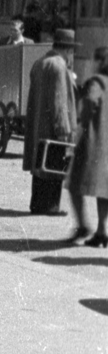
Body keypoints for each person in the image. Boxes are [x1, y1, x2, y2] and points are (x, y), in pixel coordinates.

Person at [23, 28, 77, 216]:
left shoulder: (40, 62)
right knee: (54, 165)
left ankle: (37, 204)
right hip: (53, 127)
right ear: (68, 50)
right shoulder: (59, 66)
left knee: (40, 166)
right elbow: (59, 101)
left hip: (39, 125)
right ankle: (50, 206)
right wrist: (63, 129)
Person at [66, 45, 108, 245]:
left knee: (74, 184)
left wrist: (83, 120)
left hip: (93, 142)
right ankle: (102, 231)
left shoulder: (97, 82)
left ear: (99, 62)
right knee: (104, 189)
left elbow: (90, 101)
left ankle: (83, 225)